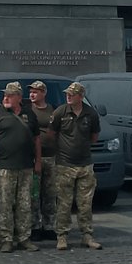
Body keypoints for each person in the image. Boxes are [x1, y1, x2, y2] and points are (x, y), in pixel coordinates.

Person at [0, 82, 42, 253]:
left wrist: (38, 161)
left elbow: (37, 139)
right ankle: (6, 238)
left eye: (10, 95)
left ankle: (24, 237)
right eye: (5, 95)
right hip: (5, 166)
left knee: (25, 203)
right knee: (5, 203)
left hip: (26, 167)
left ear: (19, 97)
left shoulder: (29, 115)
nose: (6, 98)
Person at [49, 81, 102, 251]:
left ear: (81, 96)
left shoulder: (91, 114)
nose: (68, 96)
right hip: (65, 164)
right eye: (67, 94)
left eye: (72, 94)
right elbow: (52, 134)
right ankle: (62, 236)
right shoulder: (60, 112)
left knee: (85, 203)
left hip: (85, 164)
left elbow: (94, 136)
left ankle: (87, 235)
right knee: (64, 203)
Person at [27, 81, 58, 240]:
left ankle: (49, 225)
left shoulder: (52, 109)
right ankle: (35, 226)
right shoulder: (28, 110)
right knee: (34, 194)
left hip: (51, 157)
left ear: (43, 93)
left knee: (50, 193)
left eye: (36, 92)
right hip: (34, 158)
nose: (32, 94)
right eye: (31, 92)